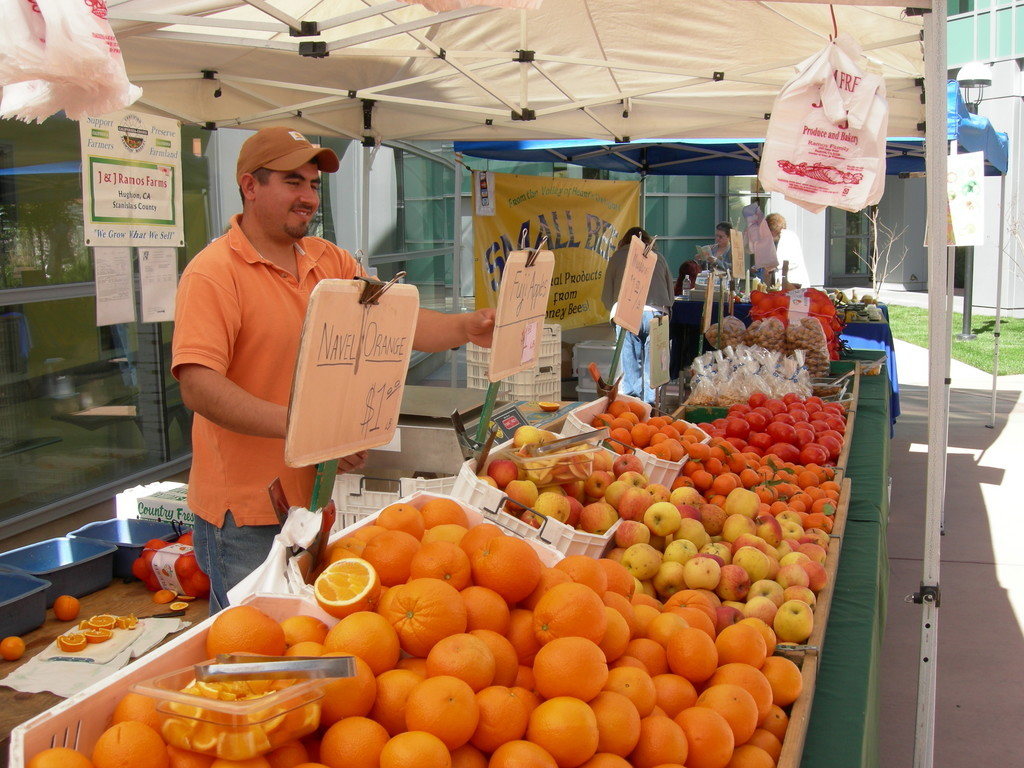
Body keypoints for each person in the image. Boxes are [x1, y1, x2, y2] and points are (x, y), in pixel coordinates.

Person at [172, 127, 495, 613]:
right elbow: (199, 387)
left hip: (319, 498)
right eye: (292, 182)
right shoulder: (214, 273)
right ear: (250, 185)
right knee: (252, 651)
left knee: (309, 640)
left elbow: (396, 323)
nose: (308, 197)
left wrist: (464, 327)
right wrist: (310, 432)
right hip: (248, 516)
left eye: (314, 185)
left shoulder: (331, 260)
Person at [601, 226, 673, 404]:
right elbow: (670, 295)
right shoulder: (658, 257)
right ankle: (652, 407)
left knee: (629, 365)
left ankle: (632, 406)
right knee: (654, 368)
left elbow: (606, 295)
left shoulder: (618, 257)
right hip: (657, 313)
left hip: (626, 312)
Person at [674, 221, 733, 294]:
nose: (717, 239)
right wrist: (698, 260)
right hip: (707, 284)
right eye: (716, 236)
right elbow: (702, 269)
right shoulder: (712, 248)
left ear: (729, 237)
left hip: (725, 286)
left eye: (721, 237)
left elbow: (732, 268)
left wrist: (716, 261)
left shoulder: (732, 251)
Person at [766, 213, 809, 288]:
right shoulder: (783, 237)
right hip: (787, 282)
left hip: (793, 282)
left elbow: (782, 261)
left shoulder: (787, 236)